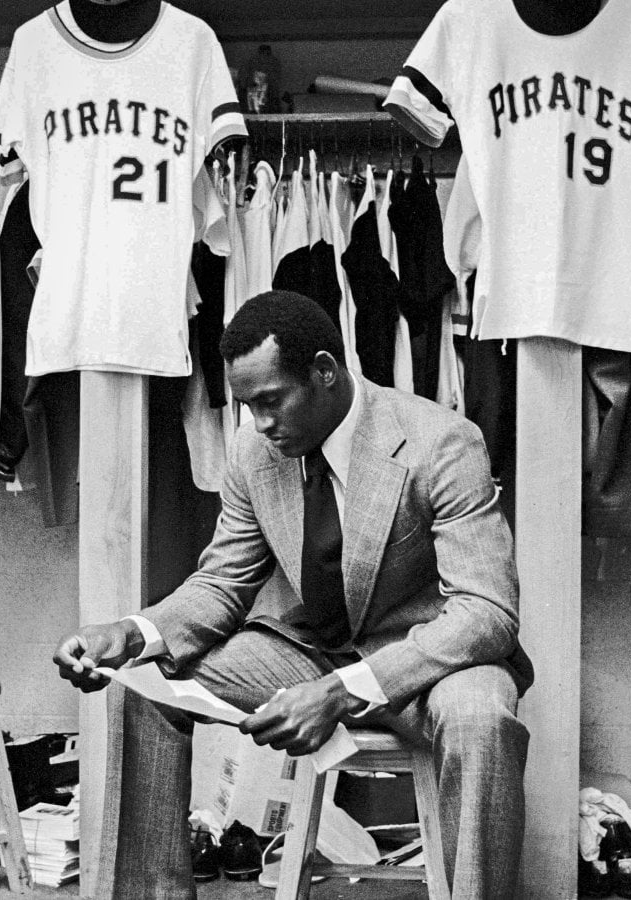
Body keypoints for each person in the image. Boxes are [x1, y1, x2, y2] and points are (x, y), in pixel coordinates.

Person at [53, 290, 534, 900]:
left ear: (325, 372)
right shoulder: (254, 452)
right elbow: (223, 581)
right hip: (314, 650)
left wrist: (338, 693)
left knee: (482, 716)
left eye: (271, 402)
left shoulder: (440, 442)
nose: (260, 423)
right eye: (248, 406)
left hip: (431, 664)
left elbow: (487, 612)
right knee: (144, 685)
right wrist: (130, 633)